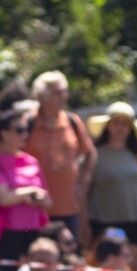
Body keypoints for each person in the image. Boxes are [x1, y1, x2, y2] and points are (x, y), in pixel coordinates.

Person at [23, 70, 95, 238]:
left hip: (69, 207)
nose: (64, 97)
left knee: (69, 258)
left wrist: (84, 181)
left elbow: (90, 154)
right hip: (36, 209)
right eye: (57, 93)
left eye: (65, 91)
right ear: (41, 96)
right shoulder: (27, 124)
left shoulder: (72, 121)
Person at [0, 109, 51, 265]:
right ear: (3, 133)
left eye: (26, 130)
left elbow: (48, 201)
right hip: (7, 233)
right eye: (19, 130)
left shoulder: (31, 161)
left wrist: (38, 198)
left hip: (34, 230)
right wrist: (30, 192)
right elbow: (2, 198)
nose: (25, 135)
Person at [87, 103, 137, 266]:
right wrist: (83, 224)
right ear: (108, 126)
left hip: (136, 221)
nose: (120, 128)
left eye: (125, 124)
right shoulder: (95, 156)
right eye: (116, 123)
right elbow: (83, 191)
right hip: (104, 221)